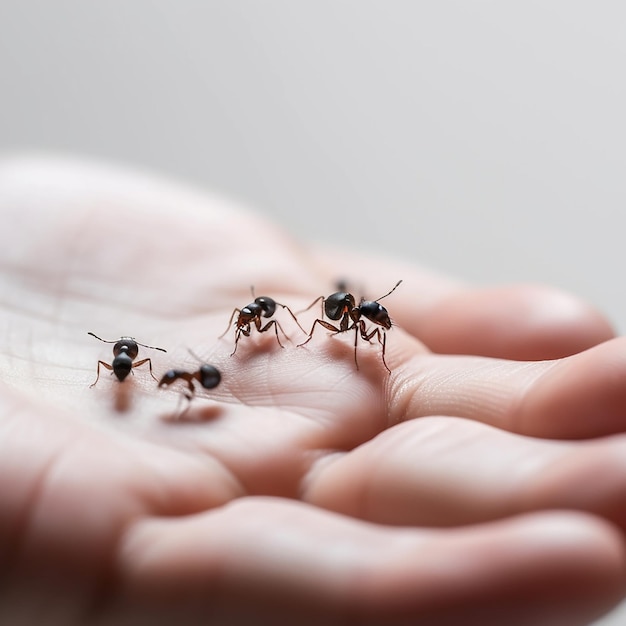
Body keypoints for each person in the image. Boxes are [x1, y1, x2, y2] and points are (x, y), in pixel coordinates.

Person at [1, 155, 625, 626]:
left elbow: (358, 322)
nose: (371, 325)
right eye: (370, 319)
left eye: (370, 319)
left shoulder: (351, 321)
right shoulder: (284, 323)